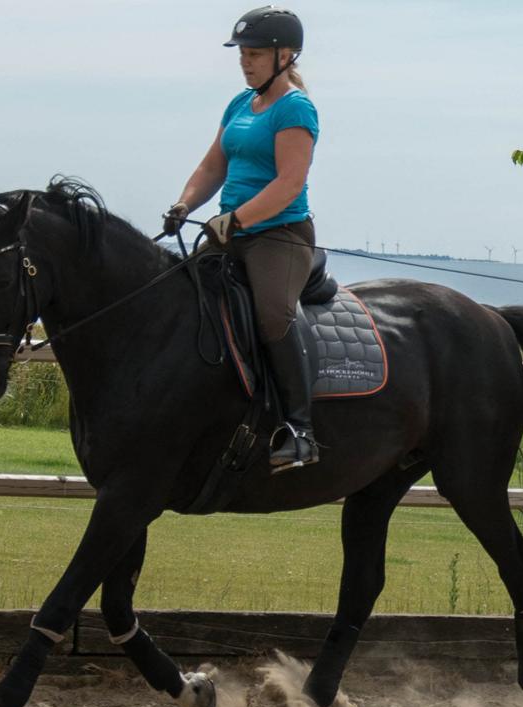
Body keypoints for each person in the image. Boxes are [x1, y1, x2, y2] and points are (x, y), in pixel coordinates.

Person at [163, 5, 320, 472]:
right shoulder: (239, 104)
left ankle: (300, 430)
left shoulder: (295, 108)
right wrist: (184, 204)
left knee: (273, 315)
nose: (245, 62)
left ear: (285, 55)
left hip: (280, 235)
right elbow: (213, 166)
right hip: (229, 230)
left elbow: (288, 184)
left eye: (253, 54)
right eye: (242, 55)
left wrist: (236, 220)